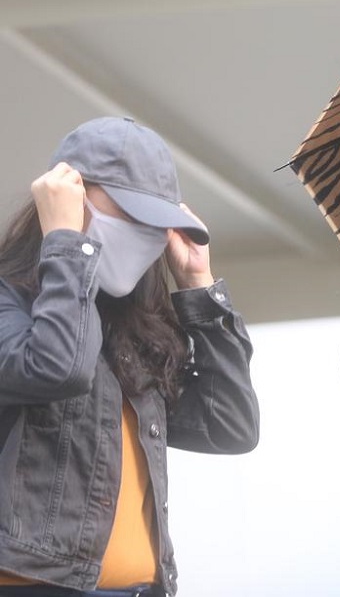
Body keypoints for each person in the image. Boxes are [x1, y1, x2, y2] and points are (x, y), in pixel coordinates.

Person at [0, 117, 260, 596]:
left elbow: (230, 427)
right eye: (130, 213)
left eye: (155, 222)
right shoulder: (10, 302)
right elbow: (58, 368)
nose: (145, 233)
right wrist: (66, 243)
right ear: (68, 193)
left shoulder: (136, 328)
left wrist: (199, 288)